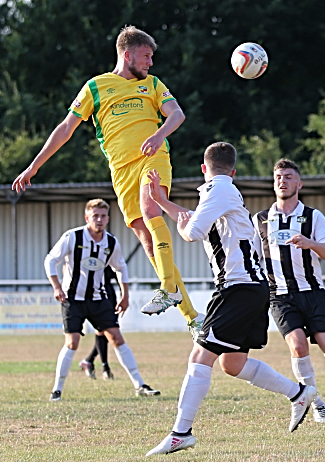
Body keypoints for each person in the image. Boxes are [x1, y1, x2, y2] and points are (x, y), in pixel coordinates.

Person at [11, 26, 202, 337]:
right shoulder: (96, 87)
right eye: (146, 56)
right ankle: (192, 317)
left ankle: (167, 287)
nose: (150, 63)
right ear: (127, 54)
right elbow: (65, 128)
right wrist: (33, 166)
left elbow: (176, 115)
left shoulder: (152, 84)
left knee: (150, 205)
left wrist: (158, 135)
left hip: (153, 157)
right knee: (146, 239)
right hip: (121, 172)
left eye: (151, 57)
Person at [145, 143, 317, 456]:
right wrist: (163, 202)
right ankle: (299, 393)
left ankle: (180, 433)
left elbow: (192, 231)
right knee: (232, 363)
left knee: (199, 358)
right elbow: (192, 217)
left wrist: (176, 221)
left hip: (237, 288)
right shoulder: (220, 191)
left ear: (203, 167)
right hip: (251, 288)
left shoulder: (217, 190)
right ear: (234, 171)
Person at [253, 159, 325, 424]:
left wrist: (309, 243)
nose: (283, 181)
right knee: (298, 346)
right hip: (279, 295)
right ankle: (315, 402)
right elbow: (253, 258)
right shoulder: (260, 220)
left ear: (299, 184)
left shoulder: (314, 217)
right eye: (278, 176)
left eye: (289, 177)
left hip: (313, 292)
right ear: (273, 182)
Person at [45, 199, 160, 401]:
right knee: (72, 342)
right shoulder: (72, 237)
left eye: (103, 216)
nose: (99, 220)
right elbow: (50, 260)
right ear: (87, 217)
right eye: (95, 216)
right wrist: (56, 287)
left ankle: (139, 384)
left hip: (99, 299)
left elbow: (120, 267)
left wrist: (125, 295)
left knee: (116, 337)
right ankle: (57, 389)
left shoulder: (111, 242)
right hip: (73, 299)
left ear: (108, 218)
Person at [79, 267, 117, 380]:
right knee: (102, 331)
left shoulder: (107, 252)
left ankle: (89, 361)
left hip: (109, 294)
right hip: (95, 294)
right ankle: (105, 368)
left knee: (110, 332)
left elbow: (118, 271)